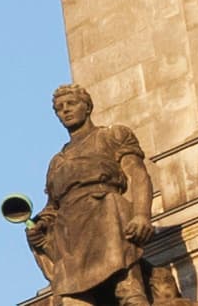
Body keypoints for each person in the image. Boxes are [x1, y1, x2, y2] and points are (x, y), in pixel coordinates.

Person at [25, 84, 155, 306]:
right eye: (59, 108)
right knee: (70, 300)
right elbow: (51, 209)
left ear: (87, 107)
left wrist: (142, 214)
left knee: (128, 291)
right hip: (70, 234)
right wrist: (38, 229)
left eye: (71, 104)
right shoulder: (57, 161)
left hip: (107, 216)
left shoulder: (112, 136)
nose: (65, 110)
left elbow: (138, 175)